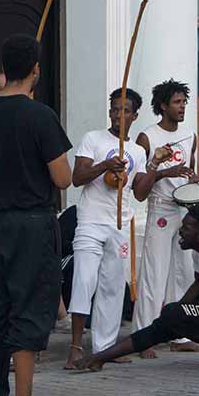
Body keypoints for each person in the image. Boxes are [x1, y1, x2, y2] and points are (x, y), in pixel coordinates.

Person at [0, 34, 72, 396]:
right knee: (29, 307)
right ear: (35, 70)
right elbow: (62, 178)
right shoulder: (39, 115)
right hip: (32, 222)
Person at [79, 206, 199, 378]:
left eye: (186, 228)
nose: (180, 232)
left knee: (173, 314)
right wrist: (175, 313)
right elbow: (198, 284)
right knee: (166, 321)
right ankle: (100, 358)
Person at [64, 88, 156, 369]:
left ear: (135, 115)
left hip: (119, 223)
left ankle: (104, 349)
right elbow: (77, 178)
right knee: (84, 281)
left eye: (126, 110)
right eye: (115, 109)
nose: (119, 115)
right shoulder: (93, 139)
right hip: (91, 222)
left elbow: (140, 193)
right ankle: (76, 347)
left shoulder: (138, 151)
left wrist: (155, 165)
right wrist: (105, 164)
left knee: (113, 287)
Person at [132, 79, 199, 356]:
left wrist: (195, 179)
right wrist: (162, 172)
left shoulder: (190, 136)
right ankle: (143, 337)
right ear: (163, 106)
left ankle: (180, 335)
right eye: (176, 102)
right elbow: (140, 184)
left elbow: (193, 169)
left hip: (185, 209)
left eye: (184, 102)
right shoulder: (147, 137)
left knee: (183, 272)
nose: (182, 107)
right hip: (160, 207)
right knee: (154, 273)